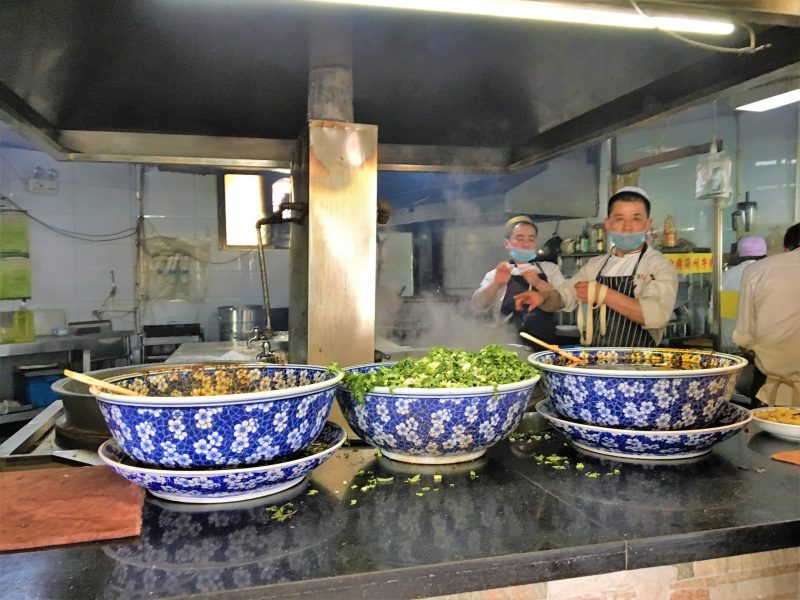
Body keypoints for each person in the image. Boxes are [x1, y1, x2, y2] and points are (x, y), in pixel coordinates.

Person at [513, 187, 678, 347]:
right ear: (608, 224)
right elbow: (563, 296)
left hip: (640, 366)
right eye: (619, 219)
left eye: (636, 219)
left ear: (647, 224)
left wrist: (604, 294)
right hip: (598, 362)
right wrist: (542, 298)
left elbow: (657, 315)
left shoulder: (658, 264)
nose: (627, 227)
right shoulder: (596, 266)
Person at [732, 223, 800, 407]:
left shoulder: (757, 271)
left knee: (765, 434)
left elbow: (743, 337)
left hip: (771, 391)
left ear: (786, 248)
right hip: (773, 388)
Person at [472, 215, 566, 345]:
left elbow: (564, 300)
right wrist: (496, 283)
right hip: (506, 346)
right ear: (507, 243)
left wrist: (539, 283)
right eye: (519, 238)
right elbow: (477, 305)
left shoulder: (550, 269)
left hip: (544, 347)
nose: (526, 244)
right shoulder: (497, 273)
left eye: (531, 239)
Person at [719, 235, 767, 352]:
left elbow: (713, 309)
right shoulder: (767, 274)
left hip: (727, 343)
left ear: (739, 254)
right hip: (757, 347)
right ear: (765, 255)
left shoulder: (726, 275)